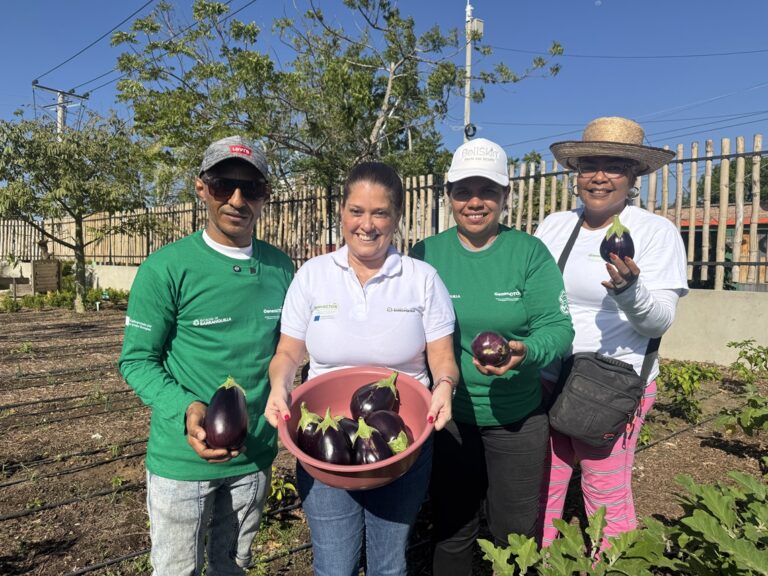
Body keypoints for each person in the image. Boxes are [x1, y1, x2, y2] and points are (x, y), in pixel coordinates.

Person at [265, 161, 459, 576]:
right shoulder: (313, 276)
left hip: (401, 445)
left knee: (389, 566)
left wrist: (444, 385)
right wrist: (279, 387)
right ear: (341, 212)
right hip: (325, 444)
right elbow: (287, 353)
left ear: (397, 217)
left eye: (379, 213)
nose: (366, 225)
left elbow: (443, 357)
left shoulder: (421, 278)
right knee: (334, 566)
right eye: (356, 211)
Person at [119, 135, 294, 575]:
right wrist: (187, 407)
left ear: (265, 195)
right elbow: (136, 361)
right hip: (181, 461)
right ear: (201, 188)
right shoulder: (165, 268)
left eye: (250, 188)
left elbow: (289, 351)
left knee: (233, 567)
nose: (237, 199)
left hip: (254, 456)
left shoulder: (281, 268)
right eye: (223, 185)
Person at [409, 138, 575, 575]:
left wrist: (525, 351)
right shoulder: (426, 254)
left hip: (516, 420)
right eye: (463, 190)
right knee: (452, 528)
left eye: (488, 190)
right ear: (448, 195)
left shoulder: (528, 253)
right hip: (449, 420)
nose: (475, 201)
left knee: (514, 535)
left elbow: (558, 330)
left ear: (505, 195)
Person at [535, 116, 689, 547]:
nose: (599, 176)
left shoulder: (656, 233)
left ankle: (614, 563)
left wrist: (629, 291)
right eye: (590, 165)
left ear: (634, 175)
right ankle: (544, 563)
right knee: (544, 486)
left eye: (614, 166)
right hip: (551, 376)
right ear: (576, 173)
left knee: (604, 495)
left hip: (610, 384)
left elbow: (659, 321)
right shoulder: (554, 226)